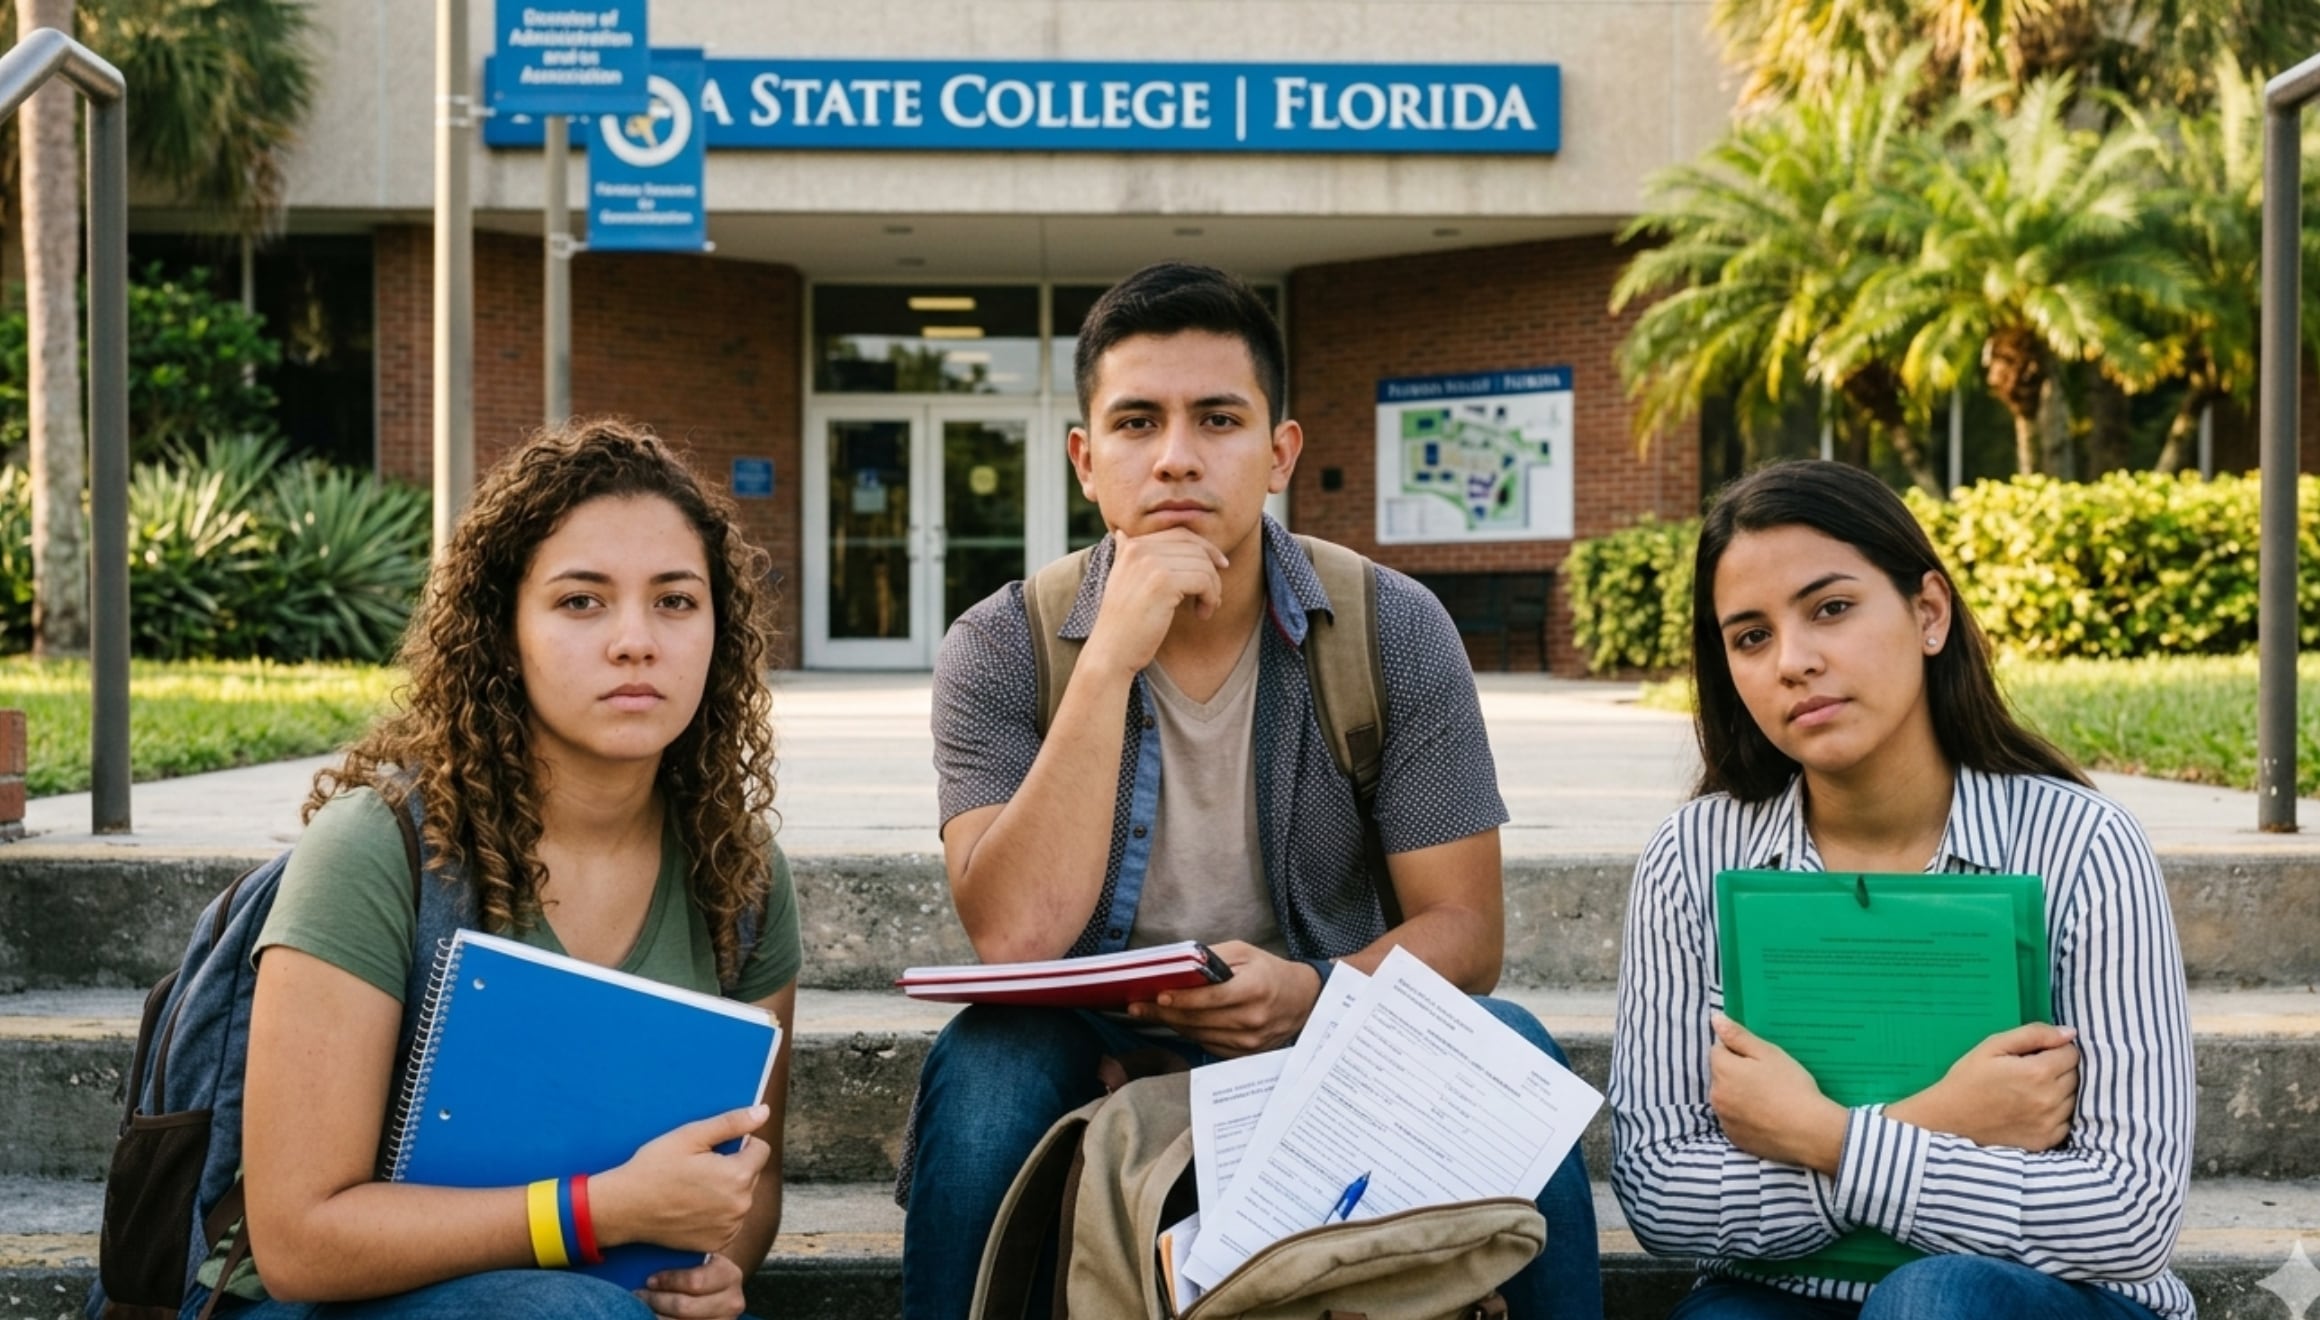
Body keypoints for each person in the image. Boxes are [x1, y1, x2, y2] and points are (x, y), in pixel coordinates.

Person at [901, 261, 1602, 1320]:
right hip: (1087, 1032)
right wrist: (1107, 663)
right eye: (1137, 423)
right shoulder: (1002, 646)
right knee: (989, 1067)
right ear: (1085, 462)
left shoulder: (1391, 626)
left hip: (1325, 1022)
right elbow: (1013, 939)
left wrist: (1315, 994)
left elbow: (1465, 928)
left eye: (1217, 419)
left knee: (1510, 1046)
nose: (1177, 458)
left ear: (1278, 453)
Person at [189, 418, 802, 1320]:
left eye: (675, 600)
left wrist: (710, 1272)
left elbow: (750, 1177)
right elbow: (298, 1243)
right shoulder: (377, 851)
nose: (636, 640)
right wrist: (595, 1214)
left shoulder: (738, 870)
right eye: (581, 601)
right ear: (502, 628)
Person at [1609, 459, 2194, 1320]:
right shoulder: (1692, 856)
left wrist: (1822, 1135)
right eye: (1750, 636)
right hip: (1781, 1294)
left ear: (1928, 613)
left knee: (1933, 1301)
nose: (1794, 662)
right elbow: (1660, 1192)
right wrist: (1940, 1119)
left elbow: (2129, 1214)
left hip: (2035, 1298)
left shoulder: (2082, 847)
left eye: (1831, 609)